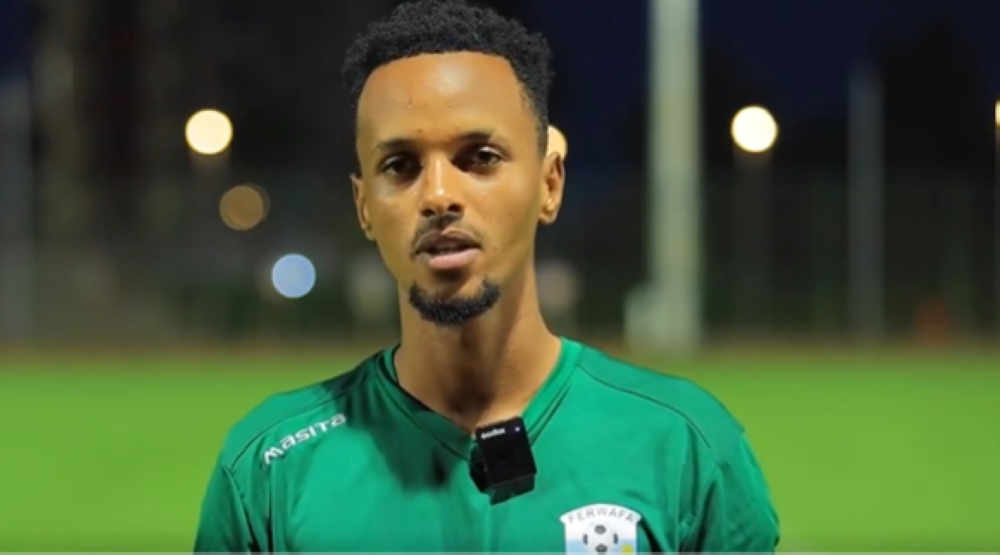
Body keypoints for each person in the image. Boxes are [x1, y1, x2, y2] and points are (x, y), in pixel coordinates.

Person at [193, 0, 780, 552]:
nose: (440, 195)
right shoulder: (269, 468)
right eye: (400, 166)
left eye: (480, 158)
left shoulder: (686, 448)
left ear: (550, 184)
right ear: (364, 205)